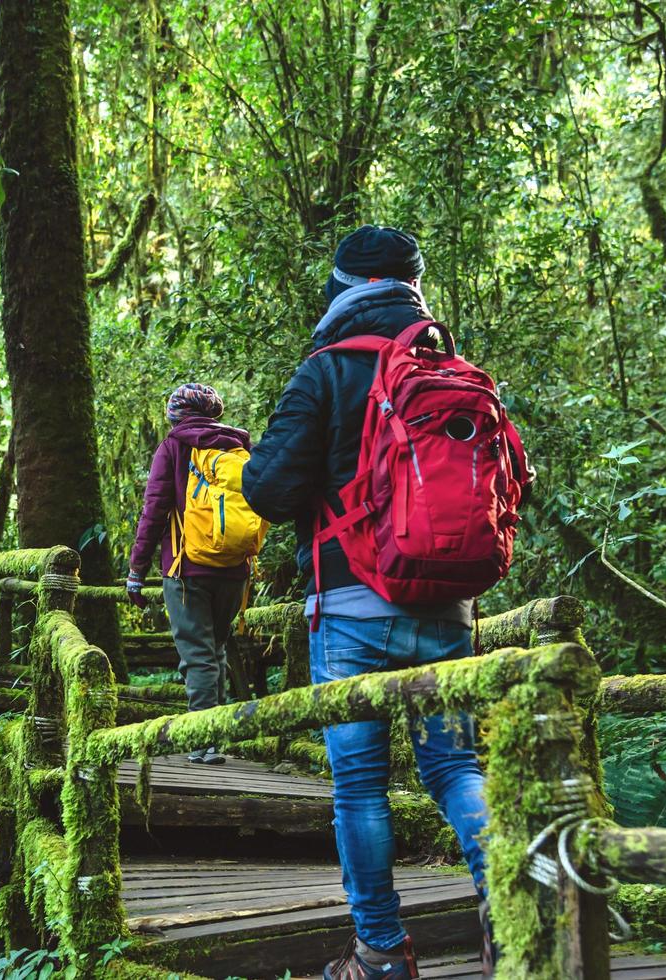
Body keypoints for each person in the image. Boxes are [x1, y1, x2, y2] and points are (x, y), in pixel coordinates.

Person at [242, 226, 532, 979]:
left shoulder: (327, 370)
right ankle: (517, 914)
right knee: (454, 768)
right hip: (447, 612)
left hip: (349, 614)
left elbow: (269, 492)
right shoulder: (454, 371)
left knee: (361, 787)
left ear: (342, 286)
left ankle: (379, 955)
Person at [126, 384, 257, 765]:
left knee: (199, 656)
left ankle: (203, 740)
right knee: (214, 651)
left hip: (186, 570)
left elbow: (154, 511)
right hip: (234, 570)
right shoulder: (237, 447)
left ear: (176, 415)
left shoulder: (174, 447)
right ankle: (214, 735)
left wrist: (137, 568)